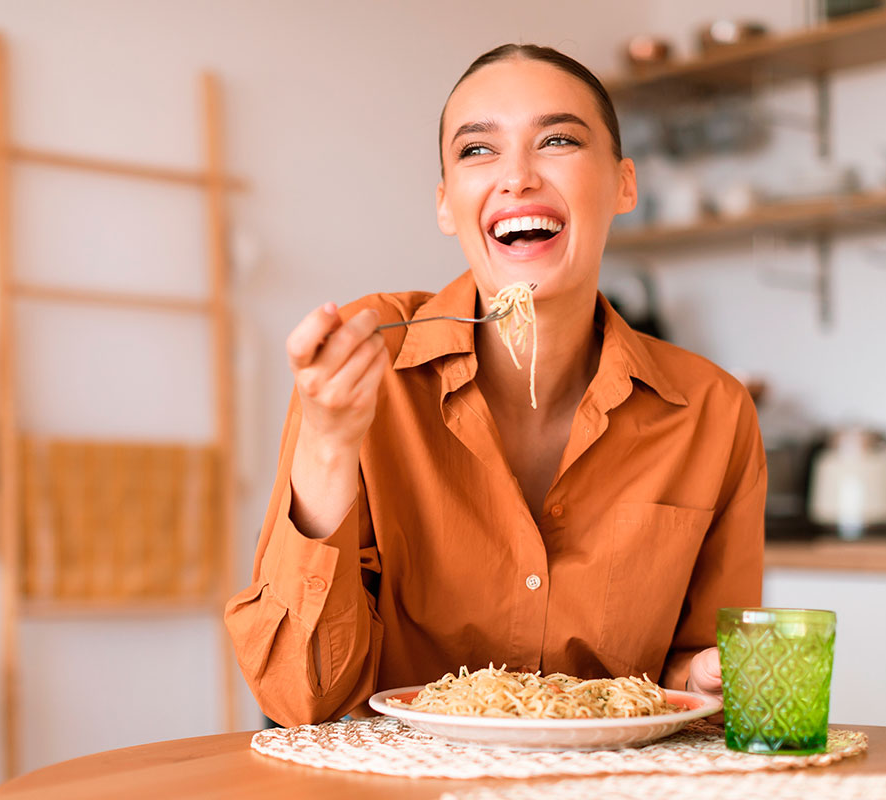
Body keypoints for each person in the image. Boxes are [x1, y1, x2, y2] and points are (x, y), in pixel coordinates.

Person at [225, 44, 766, 727]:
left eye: (559, 140)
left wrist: (705, 680)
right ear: (447, 203)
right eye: (478, 151)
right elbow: (299, 700)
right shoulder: (367, 369)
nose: (517, 177)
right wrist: (328, 445)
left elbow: (697, 679)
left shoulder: (711, 411)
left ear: (624, 185)